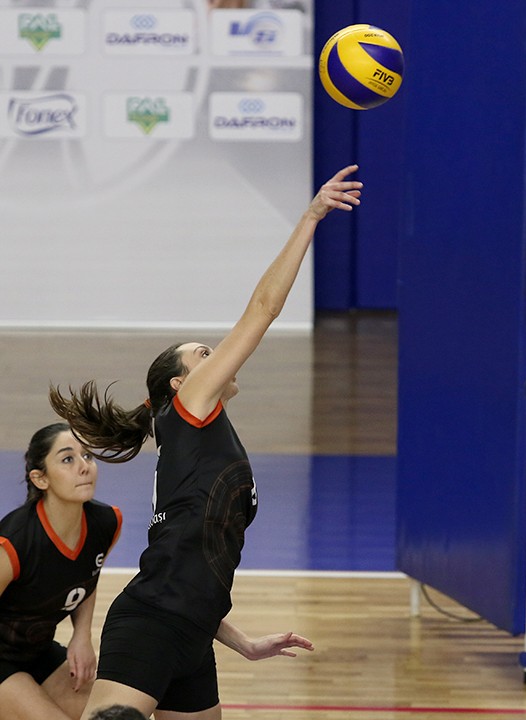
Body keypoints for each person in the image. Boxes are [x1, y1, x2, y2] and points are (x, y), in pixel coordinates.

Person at [49, 165, 363, 720]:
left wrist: (241, 642)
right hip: (150, 626)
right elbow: (263, 310)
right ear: (181, 384)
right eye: (203, 354)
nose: (216, 355)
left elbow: (189, 564)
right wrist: (311, 217)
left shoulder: (198, 436)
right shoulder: (189, 409)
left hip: (192, 634)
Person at [0, 423, 122, 720]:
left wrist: (82, 635)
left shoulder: (106, 523)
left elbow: (87, 578)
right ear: (40, 478)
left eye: (87, 456)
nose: (84, 466)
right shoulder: (15, 542)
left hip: (38, 653)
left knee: (114, 715)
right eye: (68, 459)